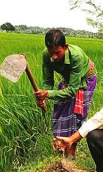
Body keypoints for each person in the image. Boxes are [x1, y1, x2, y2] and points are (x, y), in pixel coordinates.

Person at [34, 29, 97, 159]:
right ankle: (62, 145)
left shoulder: (76, 56)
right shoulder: (46, 55)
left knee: (76, 115)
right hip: (69, 79)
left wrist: (47, 94)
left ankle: (71, 153)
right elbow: (48, 81)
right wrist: (44, 96)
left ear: (65, 47)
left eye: (58, 53)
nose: (54, 57)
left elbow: (72, 90)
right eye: (51, 53)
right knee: (60, 110)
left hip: (85, 79)